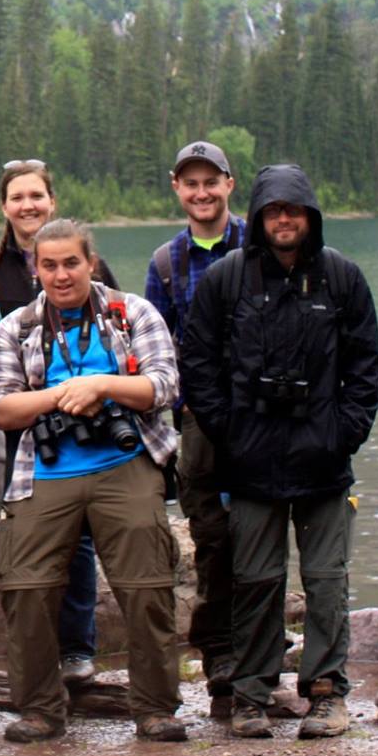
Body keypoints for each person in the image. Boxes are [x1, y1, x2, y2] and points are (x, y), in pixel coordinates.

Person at [179, 165, 378, 741]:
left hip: (324, 461)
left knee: (325, 580)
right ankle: (251, 693)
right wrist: (228, 432)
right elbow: (198, 363)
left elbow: (366, 367)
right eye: (274, 211)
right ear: (261, 217)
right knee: (256, 580)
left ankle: (325, 693)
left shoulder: (341, 278)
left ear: (310, 216)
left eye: (295, 210)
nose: (285, 220)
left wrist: (345, 432)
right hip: (251, 463)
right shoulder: (227, 280)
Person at [0, 219, 187, 745]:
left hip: (125, 463)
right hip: (44, 471)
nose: (60, 274)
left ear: (90, 262)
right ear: (35, 269)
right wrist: (62, 395)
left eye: (70, 263)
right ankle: (40, 709)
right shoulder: (17, 327)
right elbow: (3, 409)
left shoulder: (132, 313)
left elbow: (164, 386)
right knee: (25, 587)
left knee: (146, 589)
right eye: (48, 265)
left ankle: (155, 707)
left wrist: (101, 386)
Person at [0, 158, 117, 686]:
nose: (27, 205)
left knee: (79, 537)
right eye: (17, 197)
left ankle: (78, 649)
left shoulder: (84, 262)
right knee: (23, 534)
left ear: (51, 200)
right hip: (14, 419)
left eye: (36, 195)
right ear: (4, 205)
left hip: (84, 421)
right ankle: (31, 659)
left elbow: (120, 324)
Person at [141, 140, 247, 720]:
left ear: (230, 184)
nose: (202, 192)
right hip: (199, 424)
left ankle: (260, 664)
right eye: (191, 183)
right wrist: (179, 415)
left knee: (261, 543)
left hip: (263, 422)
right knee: (213, 543)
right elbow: (156, 349)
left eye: (212, 181)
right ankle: (222, 669)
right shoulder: (165, 263)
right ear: (177, 189)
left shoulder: (263, 241)